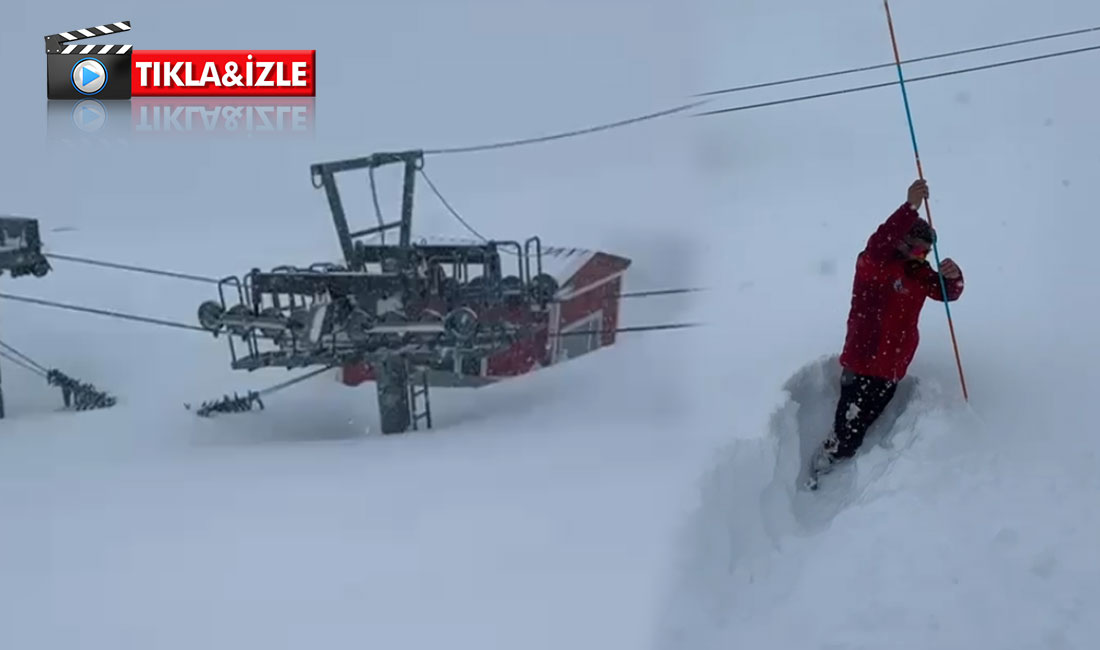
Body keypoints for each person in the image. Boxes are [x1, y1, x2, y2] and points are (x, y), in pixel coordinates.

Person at [811, 179, 964, 480]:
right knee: (849, 424)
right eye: (915, 249)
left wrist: (954, 277)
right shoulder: (874, 263)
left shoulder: (919, 275)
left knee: (868, 416)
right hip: (862, 359)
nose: (920, 257)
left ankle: (845, 452)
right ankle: (827, 462)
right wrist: (910, 207)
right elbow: (881, 239)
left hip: (892, 366)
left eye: (925, 253)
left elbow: (948, 293)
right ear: (900, 243)